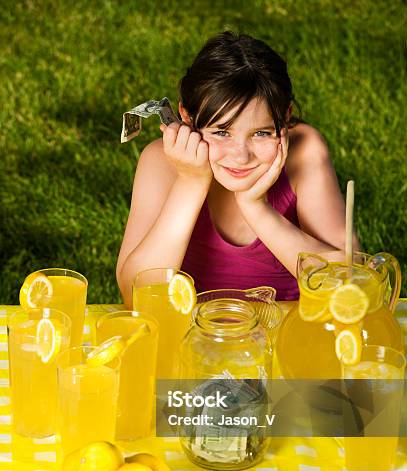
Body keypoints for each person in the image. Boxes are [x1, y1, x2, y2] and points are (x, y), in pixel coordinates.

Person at [117, 31, 359, 308]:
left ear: (286, 117)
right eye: (221, 132)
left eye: (261, 133)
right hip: (194, 334)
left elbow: (348, 284)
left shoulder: (305, 151)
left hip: (289, 332)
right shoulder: (160, 161)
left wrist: (256, 207)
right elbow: (136, 296)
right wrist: (190, 183)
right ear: (186, 118)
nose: (240, 156)